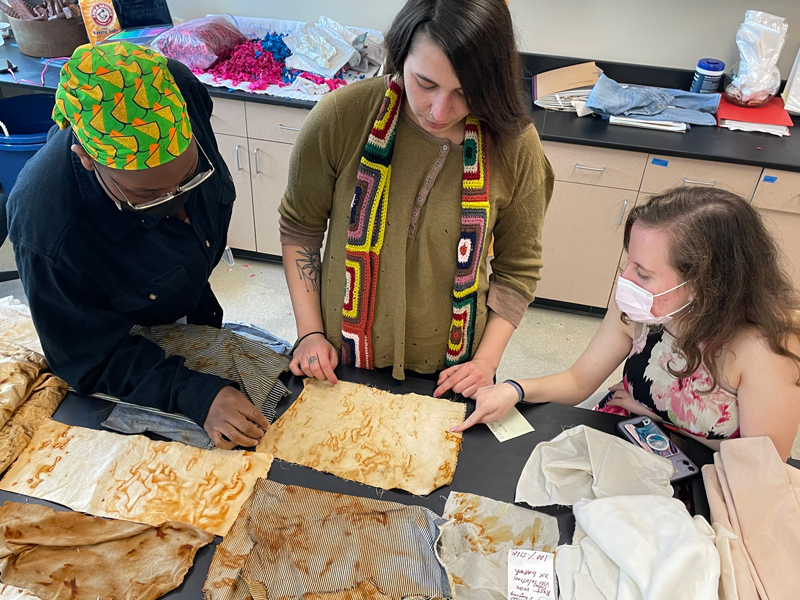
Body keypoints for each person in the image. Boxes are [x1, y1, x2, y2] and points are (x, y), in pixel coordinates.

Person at [279, 0, 554, 396]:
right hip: (342, 360)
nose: (440, 110)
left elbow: (518, 269)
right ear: (400, 54)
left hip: (454, 372)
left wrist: (485, 362)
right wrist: (309, 334)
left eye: (465, 92)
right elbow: (300, 229)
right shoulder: (341, 117)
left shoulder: (515, 145)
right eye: (425, 84)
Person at [7, 42, 269, 449]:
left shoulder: (175, 89)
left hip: (180, 293)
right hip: (125, 345)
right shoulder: (48, 227)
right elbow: (87, 357)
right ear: (87, 158)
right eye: (149, 196)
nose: (177, 202)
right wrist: (194, 394)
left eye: (189, 177)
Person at [454, 187, 800, 461]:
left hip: (704, 478)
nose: (626, 278)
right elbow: (577, 380)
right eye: (629, 262)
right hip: (627, 441)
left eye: (644, 273)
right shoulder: (643, 309)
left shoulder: (767, 349)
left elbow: (763, 462)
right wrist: (515, 389)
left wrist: (651, 414)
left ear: (705, 284)